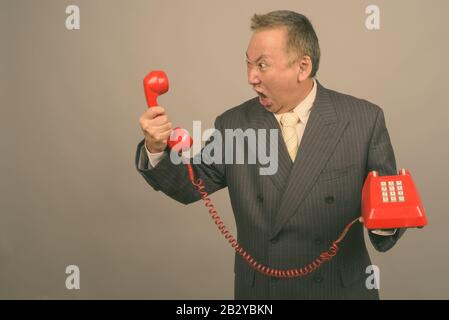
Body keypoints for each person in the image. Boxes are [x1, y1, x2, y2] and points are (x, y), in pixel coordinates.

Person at [135, 10, 405, 299]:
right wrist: (156, 146)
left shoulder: (363, 120)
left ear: (302, 67)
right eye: (248, 64)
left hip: (339, 291)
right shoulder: (234, 124)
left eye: (262, 65)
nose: (251, 77)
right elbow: (188, 185)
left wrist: (387, 224)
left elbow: (388, 214)